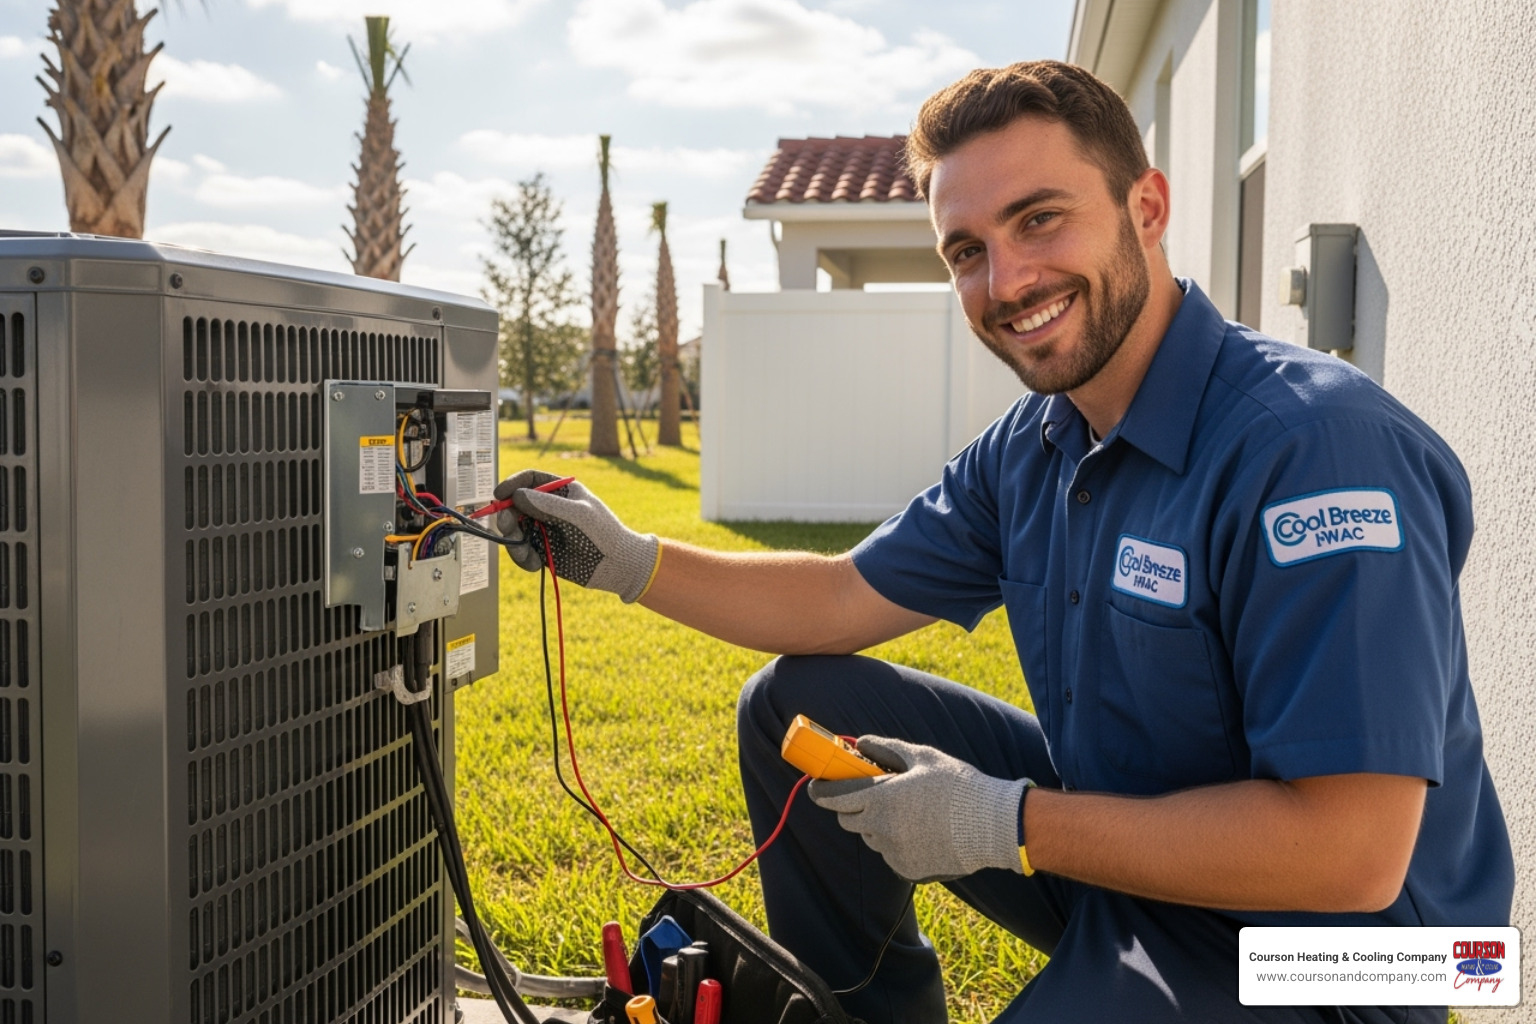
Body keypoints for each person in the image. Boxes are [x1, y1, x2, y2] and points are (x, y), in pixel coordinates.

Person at [493, 61, 1512, 1023]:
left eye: (1040, 219)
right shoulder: (1036, 447)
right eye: (967, 250)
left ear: (1146, 209)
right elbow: (842, 596)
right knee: (799, 704)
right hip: (1137, 860)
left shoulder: (1313, 449)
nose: (1007, 279)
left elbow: (1353, 855)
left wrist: (1007, 821)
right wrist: (625, 561)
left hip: (1352, 950)